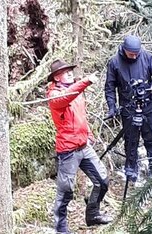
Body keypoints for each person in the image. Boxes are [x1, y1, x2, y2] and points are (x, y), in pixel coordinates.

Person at [47, 59, 112, 234]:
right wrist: (86, 81)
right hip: (68, 150)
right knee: (65, 191)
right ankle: (61, 229)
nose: (70, 73)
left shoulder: (75, 92)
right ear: (57, 77)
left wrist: (89, 134)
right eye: (65, 72)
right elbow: (67, 96)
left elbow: (81, 116)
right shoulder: (55, 95)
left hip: (84, 146)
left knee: (102, 181)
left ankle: (92, 215)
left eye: (70, 71)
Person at [104, 35, 152, 182]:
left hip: (147, 104)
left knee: (151, 138)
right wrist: (112, 107)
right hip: (128, 107)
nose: (134, 56)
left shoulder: (146, 56)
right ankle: (131, 170)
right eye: (131, 53)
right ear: (124, 50)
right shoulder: (114, 62)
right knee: (131, 140)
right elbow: (109, 87)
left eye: (136, 53)